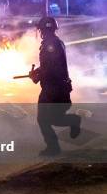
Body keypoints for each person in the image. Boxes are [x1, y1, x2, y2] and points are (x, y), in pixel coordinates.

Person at [29, 17, 81, 156]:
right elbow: (49, 65)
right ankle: (73, 121)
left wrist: (37, 76)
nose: (39, 32)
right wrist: (38, 72)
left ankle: (53, 148)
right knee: (52, 119)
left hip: (53, 89)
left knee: (43, 120)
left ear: (43, 30)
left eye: (40, 29)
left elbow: (52, 68)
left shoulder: (49, 45)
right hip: (58, 88)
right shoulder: (55, 43)